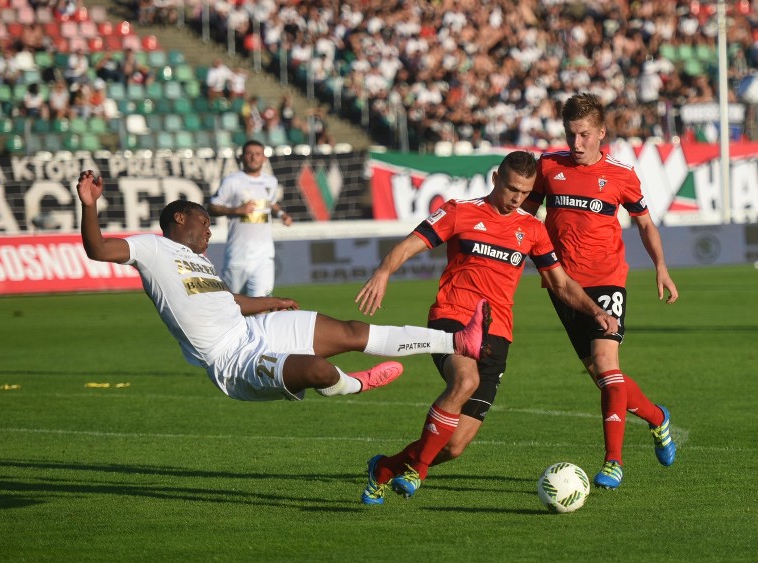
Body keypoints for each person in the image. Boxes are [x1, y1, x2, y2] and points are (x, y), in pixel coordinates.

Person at [76, 170, 491, 406]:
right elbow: (96, 248)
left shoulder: (199, 262)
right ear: (180, 219)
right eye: (204, 223)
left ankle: (457, 341)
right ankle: (356, 384)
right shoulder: (151, 248)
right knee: (318, 371)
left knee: (349, 331)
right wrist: (89, 204)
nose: (208, 232)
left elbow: (228, 301)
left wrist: (271, 303)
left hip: (253, 330)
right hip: (231, 361)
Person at [354, 151, 619, 505]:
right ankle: (418, 470)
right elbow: (408, 246)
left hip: (497, 337)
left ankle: (384, 469)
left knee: (453, 446)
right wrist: (383, 273)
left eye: (524, 192)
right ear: (496, 178)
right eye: (511, 188)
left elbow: (560, 282)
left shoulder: (532, 229)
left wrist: (594, 310)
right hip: (452, 319)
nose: (517, 198)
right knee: (466, 381)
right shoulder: (458, 211)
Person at [522, 92, 679, 489]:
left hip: (607, 280)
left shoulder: (622, 175)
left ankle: (613, 462)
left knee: (607, 365)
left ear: (601, 133)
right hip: (562, 286)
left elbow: (645, 223)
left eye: (584, 135)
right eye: (570, 135)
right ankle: (658, 419)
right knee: (606, 379)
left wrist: (660, 266)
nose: (576, 144)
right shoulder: (548, 168)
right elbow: (524, 218)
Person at [207, 140, 291, 297]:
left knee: (261, 305)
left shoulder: (271, 182)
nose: (254, 158)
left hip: (264, 257)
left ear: (264, 158)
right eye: (249, 154)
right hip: (238, 256)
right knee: (233, 306)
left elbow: (270, 202)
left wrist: (281, 214)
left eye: (258, 154)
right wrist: (237, 210)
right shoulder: (232, 181)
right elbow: (212, 206)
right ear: (242, 157)